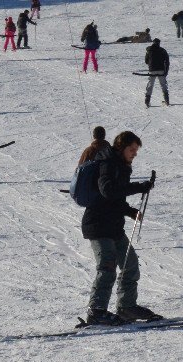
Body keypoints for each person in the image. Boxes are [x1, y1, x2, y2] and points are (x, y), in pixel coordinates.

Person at [81, 131, 157, 325]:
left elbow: (115, 198)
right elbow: (107, 191)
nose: (134, 153)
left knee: (130, 264)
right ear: (122, 147)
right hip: (98, 224)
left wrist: (130, 211)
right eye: (132, 149)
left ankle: (126, 306)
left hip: (113, 225)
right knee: (107, 266)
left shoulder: (122, 167)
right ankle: (96, 311)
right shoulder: (107, 164)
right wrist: (138, 187)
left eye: (136, 150)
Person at [144, 38, 169, 107]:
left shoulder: (149, 50)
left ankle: (147, 101)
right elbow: (167, 62)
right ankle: (167, 100)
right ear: (159, 43)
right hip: (161, 70)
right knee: (163, 85)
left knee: (150, 85)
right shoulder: (163, 50)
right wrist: (166, 71)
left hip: (152, 70)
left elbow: (146, 61)